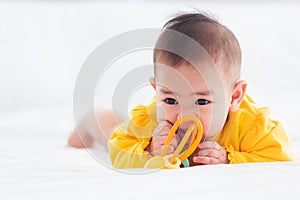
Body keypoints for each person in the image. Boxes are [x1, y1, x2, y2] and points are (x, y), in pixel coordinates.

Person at [69, 12, 294, 168]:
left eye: (202, 102)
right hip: (124, 130)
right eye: (170, 100)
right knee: (111, 129)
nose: (185, 115)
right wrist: (150, 152)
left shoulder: (250, 126)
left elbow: (281, 156)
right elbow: (118, 149)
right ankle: (91, 120)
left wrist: (229, 158)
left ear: (234, 97)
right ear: (157, 92)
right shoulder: (153, 120)